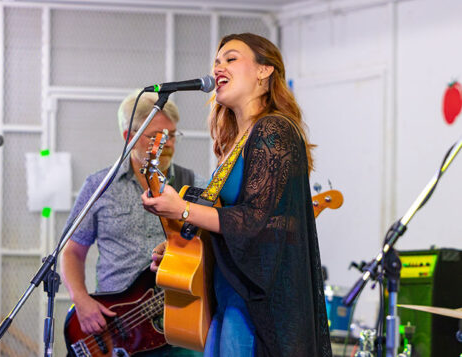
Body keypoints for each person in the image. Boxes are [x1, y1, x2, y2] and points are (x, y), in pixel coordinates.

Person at [142, 33, 332, 357]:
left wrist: (184, 211)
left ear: (264, 71)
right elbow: (231, 220)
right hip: (230, 299)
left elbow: (254, 220)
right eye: (216, 62)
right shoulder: (234, 143)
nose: (218, 67)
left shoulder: (273, 130)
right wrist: (184, 244)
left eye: (230, 59)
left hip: (258, 309)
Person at [60, 91, 205, 356]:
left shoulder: (193, 185)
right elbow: (72, 251)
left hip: (178, 325)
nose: (168, 144)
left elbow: (215, 244)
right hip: (113, 329)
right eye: (157, 137)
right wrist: (81, 300)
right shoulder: (99, 186)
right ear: (129, 136)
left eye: (172, 135)